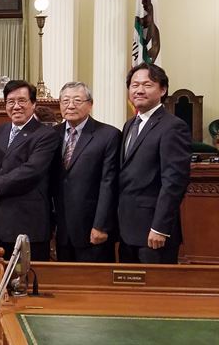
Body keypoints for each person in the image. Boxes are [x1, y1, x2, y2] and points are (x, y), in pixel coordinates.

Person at [118, 63, 191, 264]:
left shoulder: (173, 126)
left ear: (163, 89)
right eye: (134, 85)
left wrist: (160, 227)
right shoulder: (130, 125)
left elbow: (174, 182)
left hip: (154, 233)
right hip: (127, 231)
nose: (139, 90)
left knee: (156, 293)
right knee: (126, 294)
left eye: (147, 85)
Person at [0, 80, 60, 262]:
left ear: (33, 104)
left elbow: (31, 171)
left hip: (27, 225)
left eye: (22, 101)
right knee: (1, 283)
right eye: (10, 102)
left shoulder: (46, 135)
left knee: (27, 285)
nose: (16, 106)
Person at [51, 82, 120, 263]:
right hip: (62, 228)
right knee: (65, 285)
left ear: (90, 104)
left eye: (77, 100)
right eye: (65, 101)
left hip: (92, 228)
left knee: (95, 285)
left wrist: (101, 225)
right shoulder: (51, 135)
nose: (70, 105)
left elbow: (109, 183)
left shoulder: (108, 135)